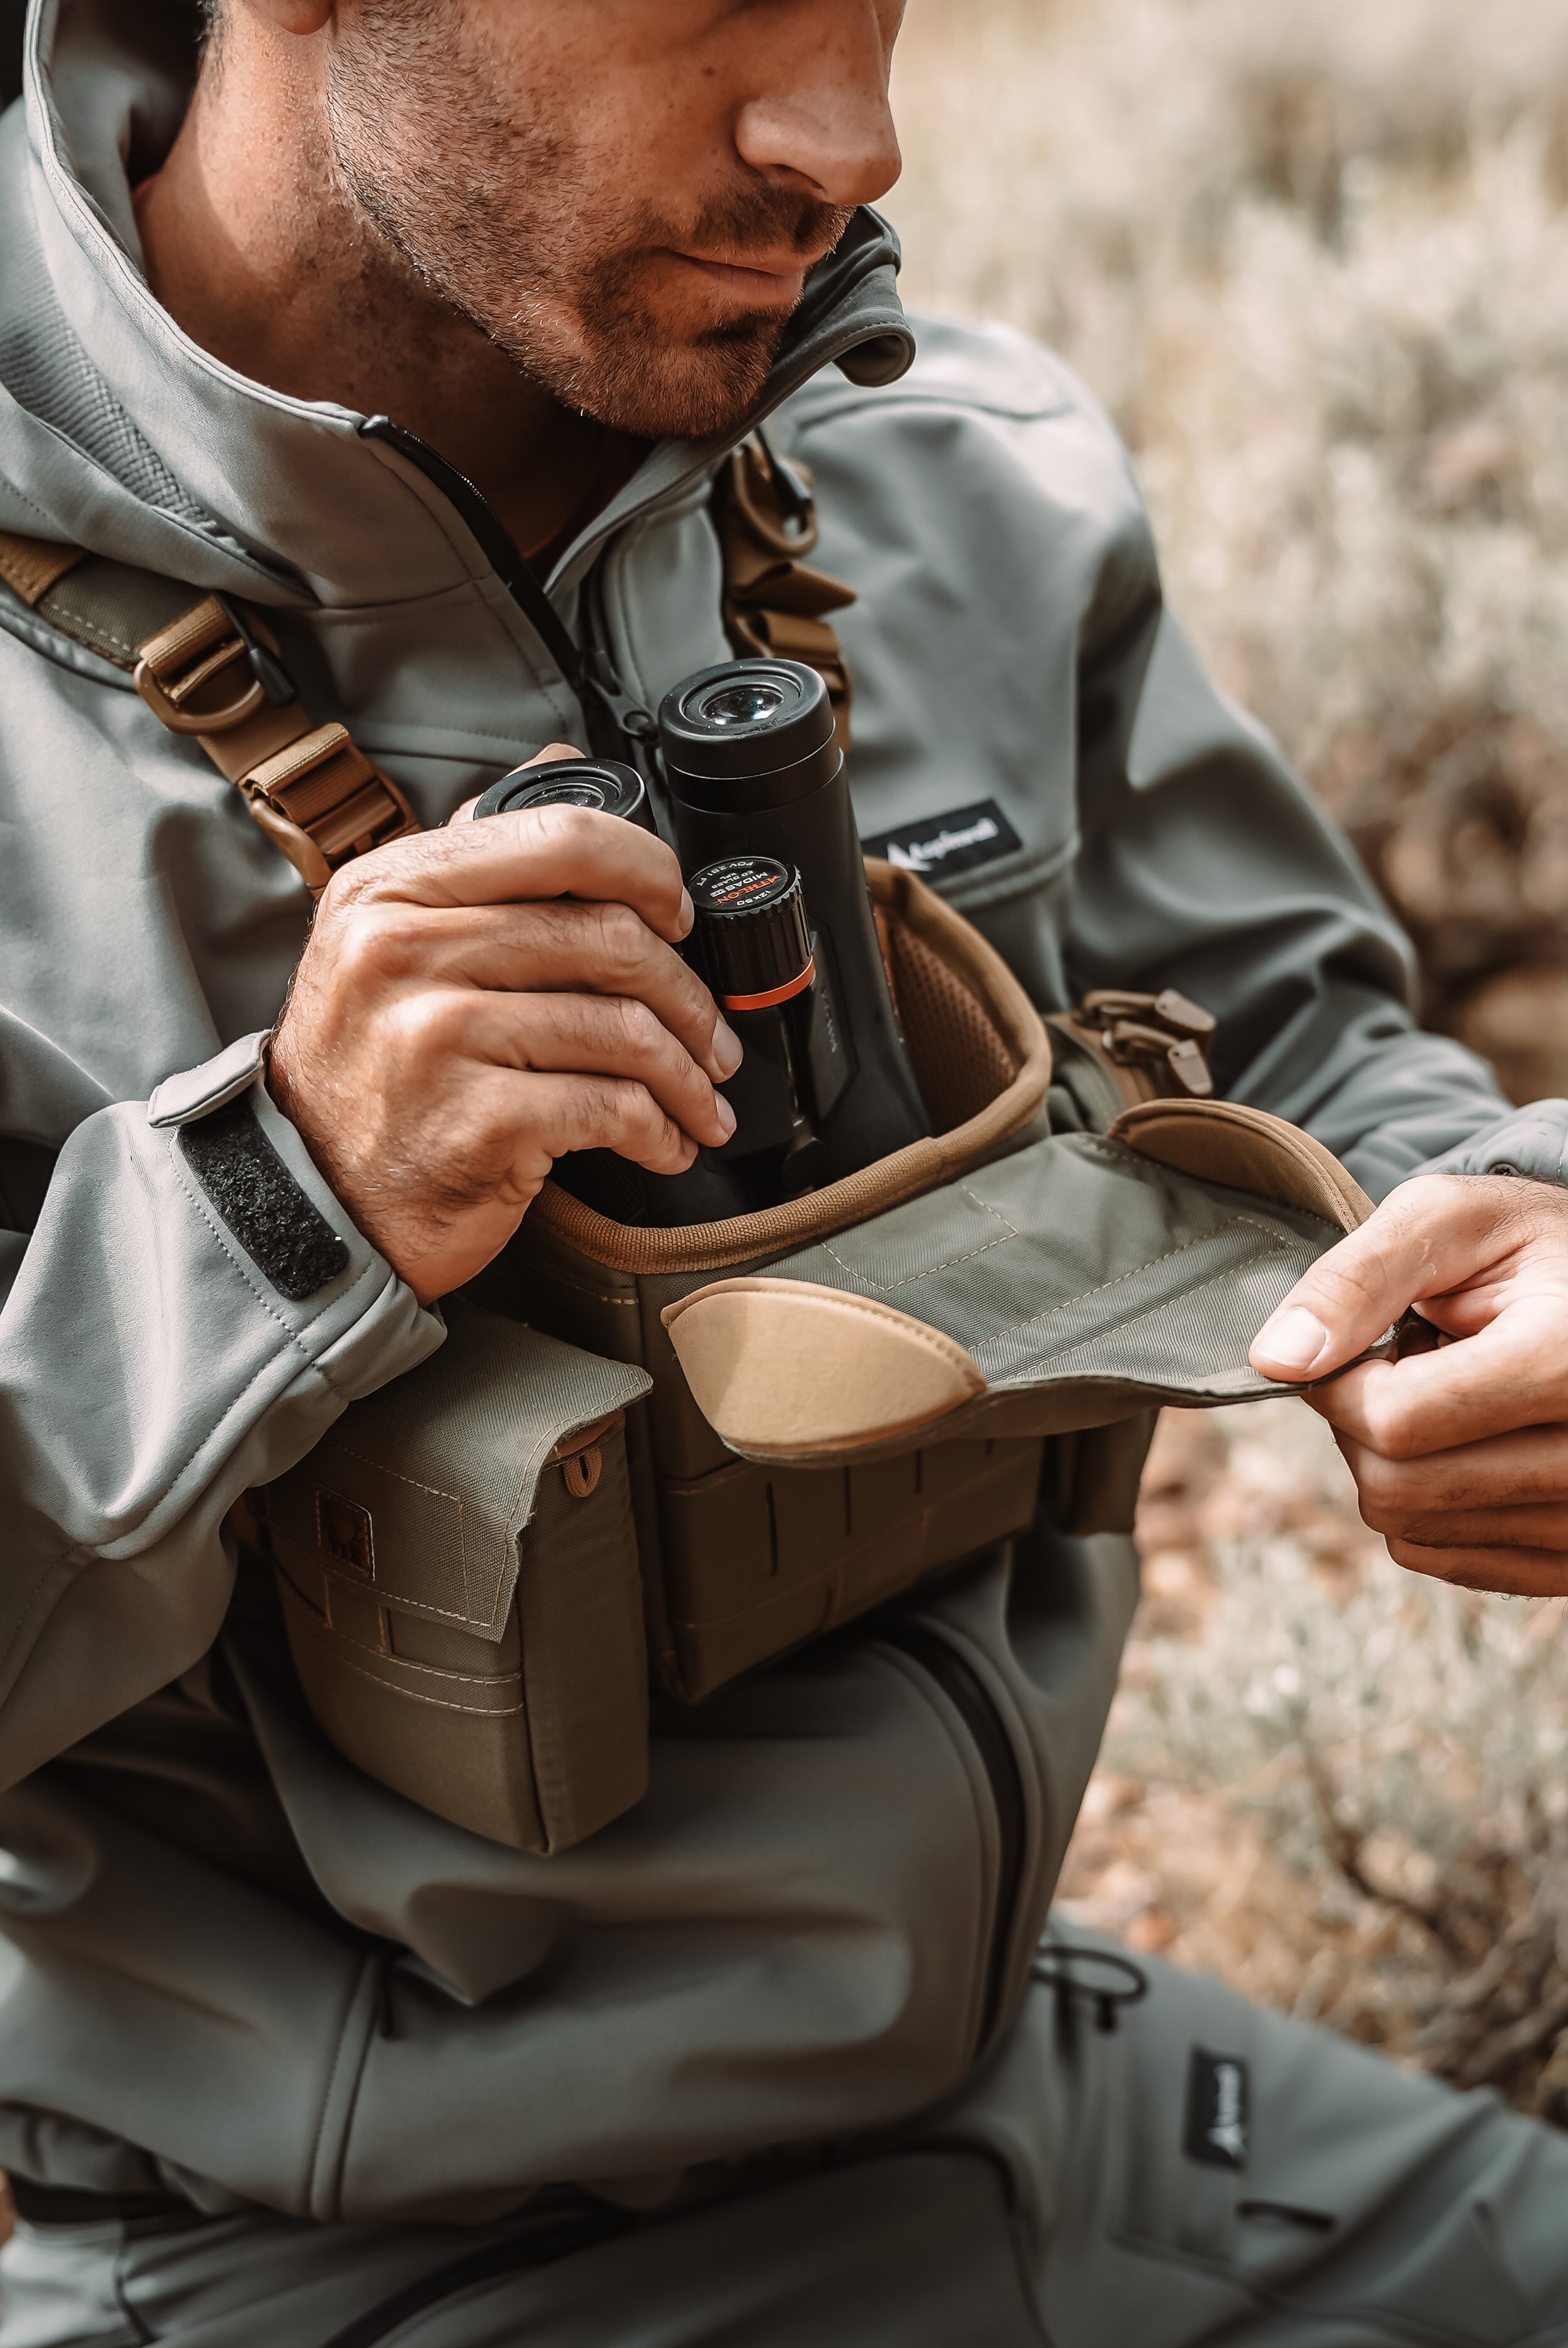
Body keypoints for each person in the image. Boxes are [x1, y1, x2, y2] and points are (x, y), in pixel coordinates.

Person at [0, 1, 1562, 2340]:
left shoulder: (950, 478)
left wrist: (1509, 1224)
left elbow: (1303, 1042)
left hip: (1050, 2089)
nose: (847, 133)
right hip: (365, 2262)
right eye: (713, 5)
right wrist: (274, 1207)